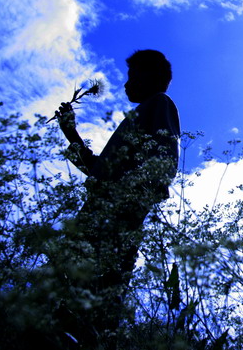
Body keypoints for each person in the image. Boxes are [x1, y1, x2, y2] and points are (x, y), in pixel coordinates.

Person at [54, 49, 180, 347]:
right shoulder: (142, 114)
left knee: (93, 306)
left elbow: (163, 164)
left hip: (115, 220)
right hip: (100, 216)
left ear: (151, 76)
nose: (126, 83)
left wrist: (128, 204)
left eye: (132, 76)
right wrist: (71, 133)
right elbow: (100, 172)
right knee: (70, 301)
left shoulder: (159, 104)